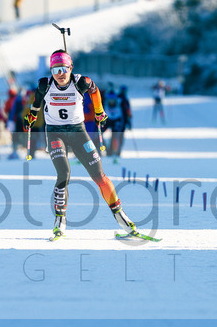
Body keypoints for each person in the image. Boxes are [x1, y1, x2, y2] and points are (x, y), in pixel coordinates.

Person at [25, 49, 139, 239]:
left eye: (63, 69)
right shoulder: (45, 84)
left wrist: (99, 112)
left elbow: (95, 92)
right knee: (64, 173)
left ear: (71, 68)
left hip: (78, 132)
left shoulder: (81, 82)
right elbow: (36, 102)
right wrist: (31, 116)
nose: (60, 74)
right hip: (55, 133)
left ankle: (121, 217)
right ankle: (60, 220)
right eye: (55, 70)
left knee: (100, 176)